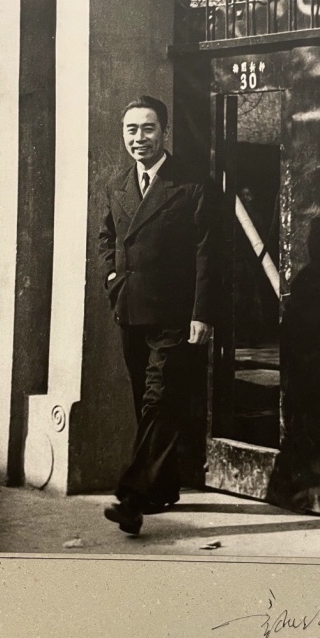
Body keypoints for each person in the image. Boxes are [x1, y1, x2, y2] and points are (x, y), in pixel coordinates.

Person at [99, 96, 217, 535]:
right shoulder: (117, 183)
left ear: (164, 132)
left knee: (159, 399)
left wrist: (202, 313)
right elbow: (107, 236)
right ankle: (164, 486)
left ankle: (133, 499)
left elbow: (209, 252)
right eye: (131, 130)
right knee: (145, 402)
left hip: (175, 315)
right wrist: (112, 279)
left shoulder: (192, 183)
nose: (139, 138)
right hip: (131, 309)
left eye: (148, 129)